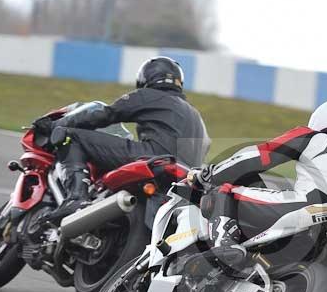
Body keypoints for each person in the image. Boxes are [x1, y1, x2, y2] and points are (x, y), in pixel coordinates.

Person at [189, 97, 327, 265]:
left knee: (224, 193)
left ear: (325, 118)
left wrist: (209, 174)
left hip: (308, 209)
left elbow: (259, 155)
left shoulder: (314, 138)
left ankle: (223, 248)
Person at [36, 56, 209, 221]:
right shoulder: (195, 114)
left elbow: (105, 114)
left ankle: (75, 198)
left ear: (146, 79)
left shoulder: (149, 95)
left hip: (153, 158)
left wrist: (55, 125)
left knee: (71, 137)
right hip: (185, 178)